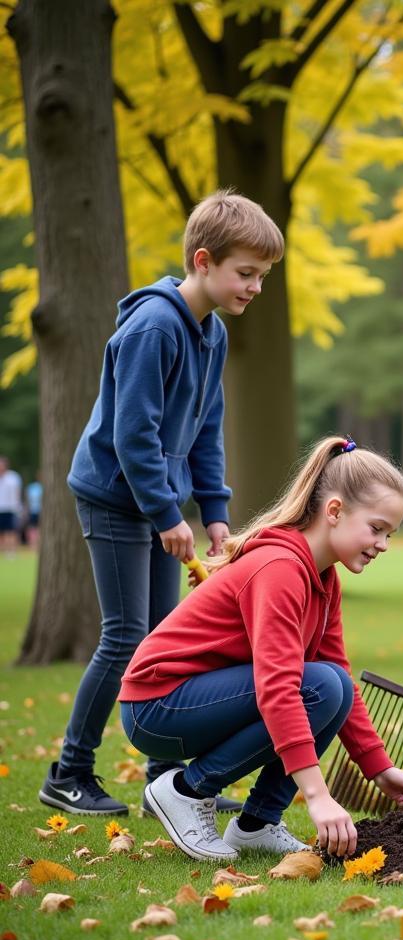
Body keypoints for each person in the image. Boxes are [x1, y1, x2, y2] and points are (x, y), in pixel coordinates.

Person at [39, 190, 284, 818]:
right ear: (204, 261)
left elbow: (205, 429)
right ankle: (70, 772)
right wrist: (166, 514)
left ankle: (163, 780)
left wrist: (216, 512)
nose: (255, 287)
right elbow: (132, 435)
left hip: (158, 503)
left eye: (263, 276)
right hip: (116, 498)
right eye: (246, 273)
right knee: (126, 639)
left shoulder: (213, 333)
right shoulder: (153, 326)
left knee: (164, 641)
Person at [119, 437, 403, 861]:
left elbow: (336, 674)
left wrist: (379, 768)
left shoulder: (323, 578)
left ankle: (258, 824)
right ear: (335, 511)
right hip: (157, 705)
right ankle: (186, 791)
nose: (383, 544)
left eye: (390, 534)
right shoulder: (280, 569)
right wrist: (317, 796)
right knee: (318, 684)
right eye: (376, 528)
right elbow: (278, 686)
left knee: (331, 682)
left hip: (200, 699)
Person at [0, 456, 22, 556]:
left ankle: (11, 551)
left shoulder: (13, 477)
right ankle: (3, 551)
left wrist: (17, 508)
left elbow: (17, 494)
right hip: (1, 508)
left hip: (10, 509)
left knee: (11, 531)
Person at [24, 473, 42, 549]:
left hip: (42, 511)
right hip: (33, 511)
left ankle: (40, 544)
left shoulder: (46, 487)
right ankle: (32, 545)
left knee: (40, 528)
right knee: (32, 528)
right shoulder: (32, 487)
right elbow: (27, 500)